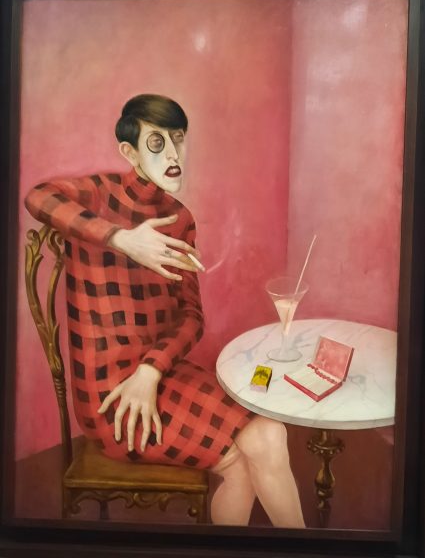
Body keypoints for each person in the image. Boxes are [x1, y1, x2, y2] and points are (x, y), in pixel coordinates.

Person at [25, 93, 305, 528]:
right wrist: (122, 239)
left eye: (178, 138)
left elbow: (192, 316)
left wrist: (152, 369)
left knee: (268, 436)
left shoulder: (180, 217)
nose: (173, 154)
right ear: (129, 152)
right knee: (252, 452)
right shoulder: (97, 194)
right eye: (157, 142)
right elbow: (38, 197)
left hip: (160, 372)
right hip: (112, 396)